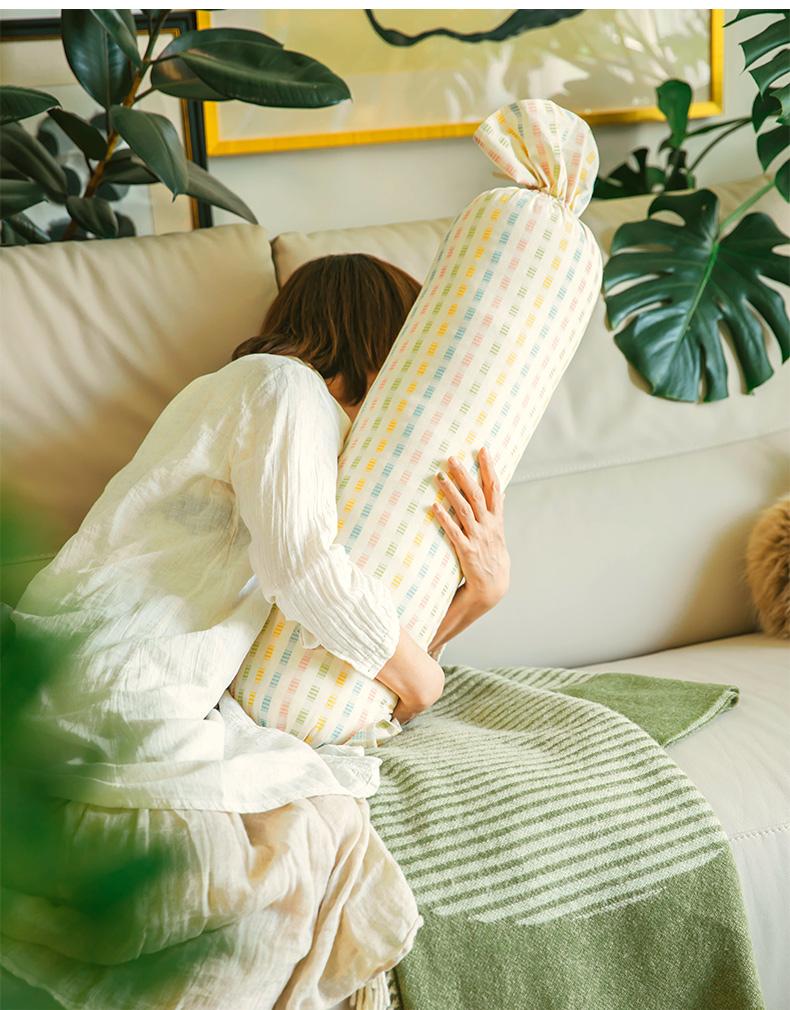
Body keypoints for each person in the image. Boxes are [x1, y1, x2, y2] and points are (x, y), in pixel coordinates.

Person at [3, 252, 509, 1008]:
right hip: (108, 674)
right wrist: (422, 681)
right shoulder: (280, 387)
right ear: (382, 338)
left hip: (132, 674)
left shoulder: (284, 416)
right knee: (283, 856)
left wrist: (478, 598)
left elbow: (328, 650)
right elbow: (303, 569)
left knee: (307, 835)